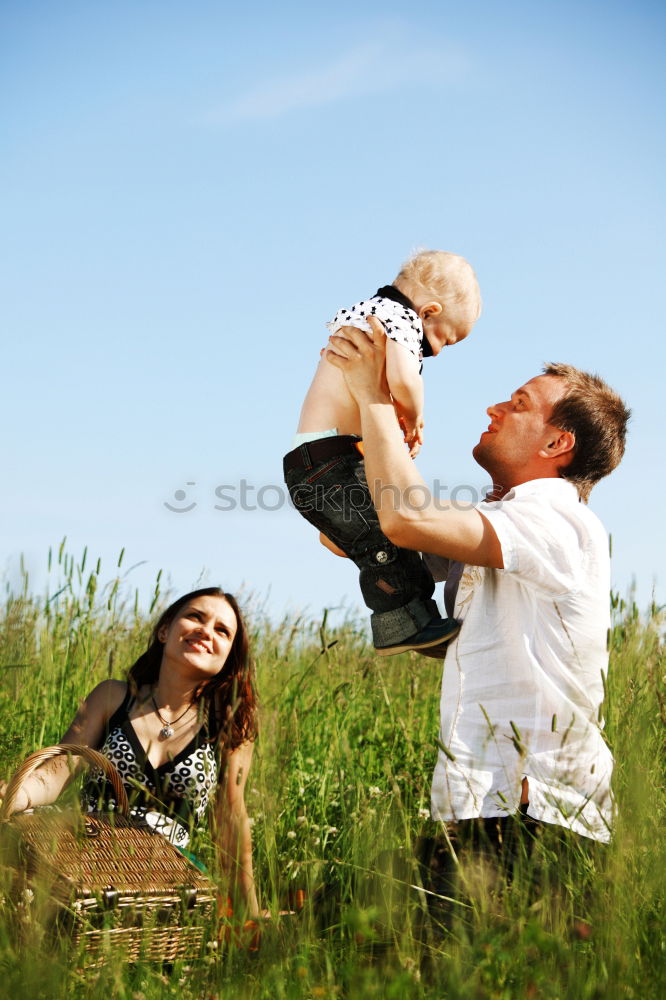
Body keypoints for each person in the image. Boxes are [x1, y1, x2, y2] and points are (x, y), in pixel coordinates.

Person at [324, 319, 630, 866]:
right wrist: (378, 445)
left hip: (534, 813)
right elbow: (351, 534)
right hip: (482, 805)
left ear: (558, 443)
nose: (494, 409)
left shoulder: (559, 520)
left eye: (518, 404)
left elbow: (407, 518)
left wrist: (375, 397)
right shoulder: (502, 520)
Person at [0, 587, 259, 916]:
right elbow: (55, 773)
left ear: (227, 657)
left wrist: (250, 914)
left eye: (222, 630)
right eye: (195, 616)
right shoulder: (113, 697)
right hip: (85, 860)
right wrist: (13, 795)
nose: (206, 630)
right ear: (165, 630)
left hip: (169, 881)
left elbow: (231, 820)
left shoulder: (228, 725)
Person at [283, 249, 482, 656]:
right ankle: (402, 625)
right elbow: (403, 379)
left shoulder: (366, 312)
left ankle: (412, 618)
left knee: (382, 536)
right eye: (447, 338)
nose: (440, 351)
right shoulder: (394, 318)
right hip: (329, 463)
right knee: (389, 538)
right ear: (429, 311)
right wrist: (415, 416)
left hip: (320, 464)